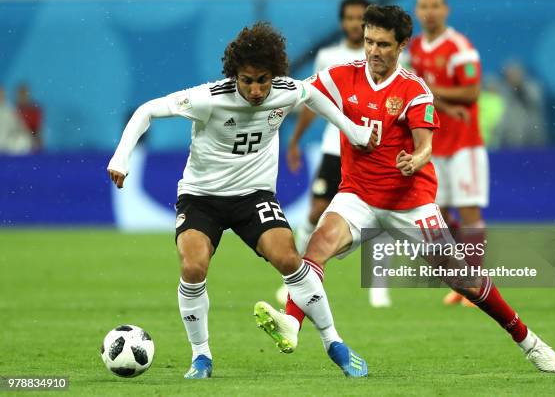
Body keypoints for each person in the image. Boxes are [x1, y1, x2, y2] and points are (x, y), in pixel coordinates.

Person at [255, 5, 555, 374]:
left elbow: (425, 145)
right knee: (315, 248)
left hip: (411, 204)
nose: (373, 51)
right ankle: (292, 323)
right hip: (359, 196)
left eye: (383, 44)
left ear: (402, 45)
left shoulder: (414, 90)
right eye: (369, 42)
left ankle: (527, 339)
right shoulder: (341, 76)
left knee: (462, 278)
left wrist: (416, 159)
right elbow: (303, 96)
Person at [107, 23, 376, 379]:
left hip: (254, 196)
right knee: (193, 267)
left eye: (263, 79)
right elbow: (146, 111)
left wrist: (353, 131)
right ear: (234, 75)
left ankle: (334, 343)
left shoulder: (285, 91)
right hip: (201, 198)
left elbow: (312, 96)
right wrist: (122, 157)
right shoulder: (208, 98)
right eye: (247, 80)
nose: (256, 89)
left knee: (289, 258)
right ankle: (201, 357)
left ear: (274, 74)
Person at [281, 0, 391, 308]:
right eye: (350, 17)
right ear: (342, 21)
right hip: (335, 146)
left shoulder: (386, 57)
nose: (355, 24)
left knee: (379, 215)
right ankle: (296, 278)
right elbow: (312, 102)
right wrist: (295, 141)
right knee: (316, 211)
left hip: (373, 148)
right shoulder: (330, 56)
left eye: (361, 18)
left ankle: (378, 285)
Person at [407, 0, 488, 307]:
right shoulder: (414, 48)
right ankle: (461, 278)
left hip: (464, 145)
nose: (429, 12)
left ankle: (476, 281)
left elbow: (471, 92)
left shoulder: (459, 47)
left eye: (435, 6)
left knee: (468, 212)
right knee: (437, 213)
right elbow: (417, 92)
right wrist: (436, 98)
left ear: (446, 10)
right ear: (417, 11)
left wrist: (432, 91)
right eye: (424, 6)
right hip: (432, 145)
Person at [495, 61, 548, 148]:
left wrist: (519, 88)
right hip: (510, 141)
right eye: (510, 74)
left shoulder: (533, 88)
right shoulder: (501, 91)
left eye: (516, 73)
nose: (513, 77)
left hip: (534, 139)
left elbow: (535, 102)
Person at [0, 86, 33, 154]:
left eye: (2, 94)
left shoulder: (9, 110)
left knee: (24, 140)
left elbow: (20, 127)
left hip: (7, 143)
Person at [16, 83, 44, 152]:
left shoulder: (34, 110)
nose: (23, 96)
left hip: (30, 140)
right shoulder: (12, 110)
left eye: (25, 93)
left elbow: (38, 129)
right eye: (21, 93)